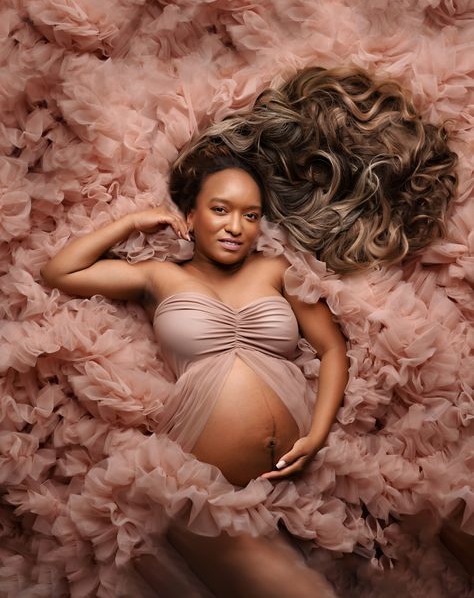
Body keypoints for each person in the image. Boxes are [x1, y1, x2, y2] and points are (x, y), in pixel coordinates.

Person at [40, 65, 458, 597]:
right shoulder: (159, 276)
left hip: (304, 473)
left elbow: (331, 349)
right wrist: (128, 224)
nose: (236, 227)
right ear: (189, 215)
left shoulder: (273, 271)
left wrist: (317, 433)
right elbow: (60, 273)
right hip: (205, 486)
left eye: (251, 215)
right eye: (220, 210)